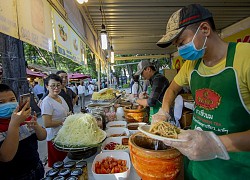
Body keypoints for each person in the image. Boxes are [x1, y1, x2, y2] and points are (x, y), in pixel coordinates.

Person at [154, 4, 250, 179]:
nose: (180, 50)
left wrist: (215, 144)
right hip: (196, 168)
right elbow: (172, 88)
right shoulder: (192, 65)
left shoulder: (245, 58)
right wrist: (163, 111)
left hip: (235, 171)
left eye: (182, 43)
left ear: (204, 29)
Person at [0, 84, 47, 179]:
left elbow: (42, 136)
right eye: (1, 102)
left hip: (36, 168)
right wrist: (14, 124)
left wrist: (36, 126)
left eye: (12, 100)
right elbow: (6, 157)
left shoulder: (25, 117)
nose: (8, 104)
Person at [40, 74, 69, 167]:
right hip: (54, 139)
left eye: (58, 85)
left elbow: (65, 113)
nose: (56, 88)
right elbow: (47, 123)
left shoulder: (60, 98)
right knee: (59, 166)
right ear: (47, 86)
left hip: (64, 136)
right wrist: (62, 122)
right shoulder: (46, 102)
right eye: (53, 85)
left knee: (66, 163)